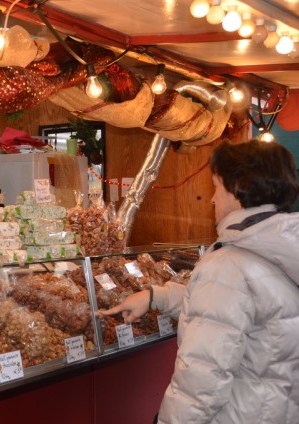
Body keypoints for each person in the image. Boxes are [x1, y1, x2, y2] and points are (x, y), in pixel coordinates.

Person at [100, 139, 299, 423]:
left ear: (238, 190)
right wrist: (156, 296)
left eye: (217, 187)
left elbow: (201, 381)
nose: (212, 199)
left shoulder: (229, 264)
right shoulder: (280, 248)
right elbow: (238, 311)